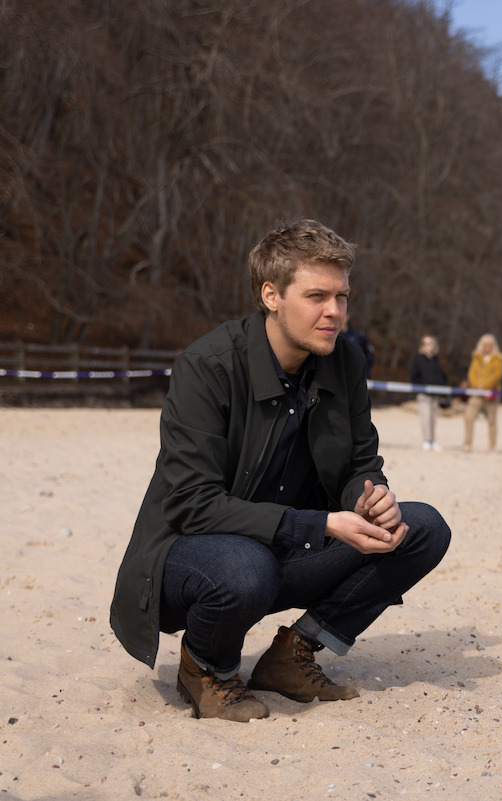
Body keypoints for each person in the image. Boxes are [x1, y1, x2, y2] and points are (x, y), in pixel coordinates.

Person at [109, 220, 452, 722]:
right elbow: (192, 504)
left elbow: (360, 461)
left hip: (291, 546)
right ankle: (206, 667)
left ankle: (293, 655)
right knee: (247, 567)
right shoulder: (209, 366)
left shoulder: (345, 360)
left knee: (419, 529)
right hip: (188, 559)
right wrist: (323, 525)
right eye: (316, 296)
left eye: (342, 296)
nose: (334, 312)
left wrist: (368, 494)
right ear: (271, 295)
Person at [462, 333, 502, 452]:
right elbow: (472, 373)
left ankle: (492, 446)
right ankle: (467, 444)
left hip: (492, 392)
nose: (487, 348)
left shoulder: (499, 358)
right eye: (485, 345)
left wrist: (485, 387)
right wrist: (477, 386)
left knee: (492, 420)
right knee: (468, 416)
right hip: (477, 392)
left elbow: (497, 375)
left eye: (489, 345)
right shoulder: (477, 357)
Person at [409, 334, 448, 451]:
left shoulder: (436, 360)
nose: (427, 346)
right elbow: (413, 375)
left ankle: (432, 441)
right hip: (423, 394)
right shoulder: (418, 359)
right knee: (425, 417)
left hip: (435, 394)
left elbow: (441, 376)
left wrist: (442, 391)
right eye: (425, 344)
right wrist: (420, 386)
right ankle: (426, 440)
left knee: (433, 419)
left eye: (429, 343)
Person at [338, 313, 375, 378]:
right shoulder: (330, 334)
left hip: (355, 376)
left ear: (347, 316)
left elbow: (369, 353)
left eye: (343, 315)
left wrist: (365, 371)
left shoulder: (358, 336)